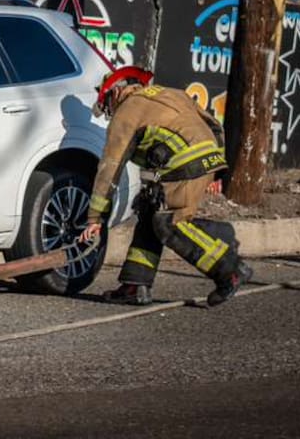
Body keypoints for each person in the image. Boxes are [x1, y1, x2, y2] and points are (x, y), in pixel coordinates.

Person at [78, 66, 253, 307]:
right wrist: (217, 170)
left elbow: (110, 168)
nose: (109, 113)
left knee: (169, 223)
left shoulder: (126, 113)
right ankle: (135, 285)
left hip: (183, 165)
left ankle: (229, 270)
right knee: (150, 210)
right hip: (204, 160)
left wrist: (95, 218)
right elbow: (214, 125)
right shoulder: (171, 93)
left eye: (106, 106)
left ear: (114, 93)